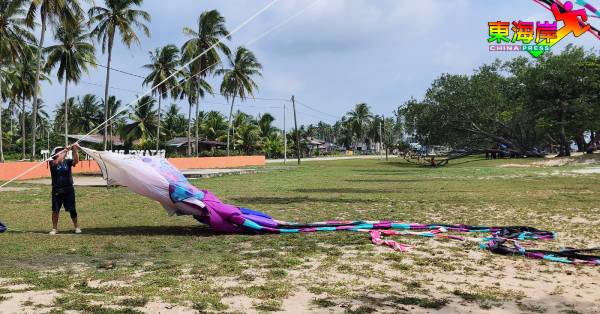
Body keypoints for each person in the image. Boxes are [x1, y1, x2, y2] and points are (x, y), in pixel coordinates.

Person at [49, 144, 81, 235]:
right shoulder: (52, 162)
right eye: (58, 151)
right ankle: (54, 228)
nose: (61, 151)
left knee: (72, 209)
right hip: (57, 190)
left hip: (69, 189)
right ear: (54, 154)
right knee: (55, 210)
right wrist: (65, 151)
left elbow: (76, 161)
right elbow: (57, 162)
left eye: (61, 150)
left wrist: (75, 150)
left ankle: (77, 227)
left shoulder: (67, 161)